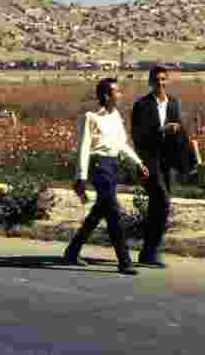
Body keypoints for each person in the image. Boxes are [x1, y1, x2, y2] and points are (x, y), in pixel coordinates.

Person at [63, 77, 150, 275]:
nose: (120, 95)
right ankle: (124, 260)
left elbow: (122, 144)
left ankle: (72, 251)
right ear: (105, 96)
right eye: (116, 92)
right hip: (98, 165)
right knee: (113, 211)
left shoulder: (116, 116)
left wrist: (138, 163)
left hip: (112, 166)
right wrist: (81, 177)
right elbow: (84, 148)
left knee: (99, 211)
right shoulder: (90, 117)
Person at [130, 65, 183, 268]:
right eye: (157, 80)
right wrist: (161, 131)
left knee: (158, 205)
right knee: (162, 200)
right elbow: (138, 136)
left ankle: (149, 251)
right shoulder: (142, 105)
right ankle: (151, 250)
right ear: (150, 82)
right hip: (149, 161)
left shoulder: (173, 103)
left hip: (167, 161)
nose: (160, 83)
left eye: (163, 79)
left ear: (167, 80)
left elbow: (178, 129)